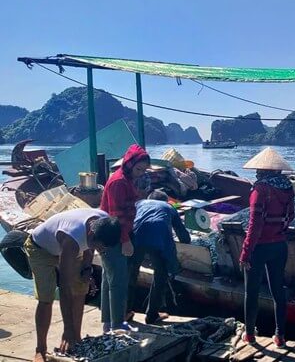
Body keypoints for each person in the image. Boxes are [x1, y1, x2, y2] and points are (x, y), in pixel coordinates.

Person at [24, 209, 120, 362]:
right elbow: (64, 288)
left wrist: (87, 267)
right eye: (100, 247)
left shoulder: (105, 222)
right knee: (46, 298)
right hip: (40, 249)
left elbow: (90, 246)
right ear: (90, 235)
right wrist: (66, 328)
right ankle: (40, 349)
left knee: (81, 288)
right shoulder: (72, 240)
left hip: (68, 247)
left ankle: (76, 337)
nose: (101, 251)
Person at [239, 147, 295, 348]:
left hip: (259, 248)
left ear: (261, 170)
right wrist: (279, 230)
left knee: (251, 292)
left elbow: (254, 224)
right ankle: (280, 336)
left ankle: (249, 335)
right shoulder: (288, 187)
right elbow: (290, 216)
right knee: (278, 291)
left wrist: (245, 252)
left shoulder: (259, 189)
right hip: (279, 245)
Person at [99, 144, 150, 332]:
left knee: (108, 279)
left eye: (144, 170)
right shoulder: (118, 182)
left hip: (113, 235)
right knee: (118, 280)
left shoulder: (126, 179)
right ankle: (117, 323)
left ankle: (108, 323)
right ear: (129, 164)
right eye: (138, 169)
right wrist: (125, 240)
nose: (140, 173)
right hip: (114, 236)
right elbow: (116, 215)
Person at [127, 190, 191, 324]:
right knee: (160, 275)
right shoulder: (169, 207)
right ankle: (152, 315)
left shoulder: (140, 203)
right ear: (166, 201)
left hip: (136, 236)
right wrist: (187, 242)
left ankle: (125, 311)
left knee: (131, 274)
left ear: (149, 198)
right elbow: (182, 233)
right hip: (159, 239)